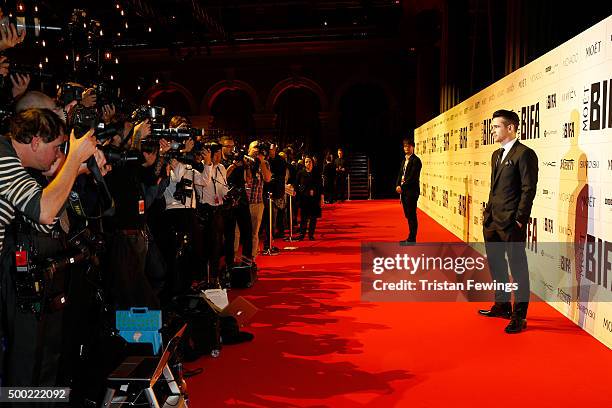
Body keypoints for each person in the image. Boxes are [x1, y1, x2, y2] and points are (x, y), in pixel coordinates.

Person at [478, 109, 538, 334]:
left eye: (496, 126)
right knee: (497, 265)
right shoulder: (495, 155)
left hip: (512, 223)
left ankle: (519, 316)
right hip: (492, 221)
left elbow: (528, 189)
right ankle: (502, 305)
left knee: (518, 269)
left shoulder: (525, 154)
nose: (492, 130)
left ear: (510, 128)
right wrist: (488, 215)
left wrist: (520, 220)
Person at [395, 139, 421, 244]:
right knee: (408, 215)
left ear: (412, 147)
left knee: (411, 215)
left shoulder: (416, 161)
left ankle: (412, 239)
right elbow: (400, 174)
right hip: (404, 192)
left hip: (412, 192)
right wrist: (397, 184)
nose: (406, 148)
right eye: (405, 146)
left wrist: (402, 186)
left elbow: (412, 177)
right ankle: (411, 238)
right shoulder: (404, 160)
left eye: (408, 146)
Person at [296, 156, 323, 240]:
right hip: (304, 198)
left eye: (309, 161)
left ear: (312, 163)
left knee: (313, 218)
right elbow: (296, 184)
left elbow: (321, 186)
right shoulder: (300, 173)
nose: (308, 163)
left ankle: (311, 235)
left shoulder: (316, 173)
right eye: (306, 162)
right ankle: (302, 234)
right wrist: (303, 191)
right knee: (304, 217)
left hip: (315, 198)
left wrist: (322, 198)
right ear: (304, 163)